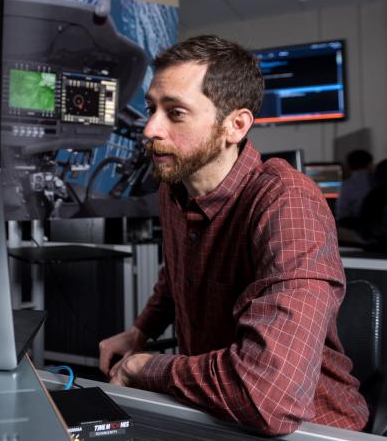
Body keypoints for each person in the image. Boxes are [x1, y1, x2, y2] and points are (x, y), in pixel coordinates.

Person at [98, 35, 368, 436]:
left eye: (175, 113)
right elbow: (177, 276)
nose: (151, 128)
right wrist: (140, 331)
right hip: (212, 411)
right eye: (151, 109)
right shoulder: (175, 188)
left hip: (310, 428)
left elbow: (269, 396)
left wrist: (144, 366)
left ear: (235, 125)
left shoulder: (287, 202)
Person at [336, 149, 374, 226]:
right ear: (369, 164)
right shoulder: (374, 180)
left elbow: (341, 214)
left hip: (356, 227)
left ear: (349, 166)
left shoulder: (346, 184)